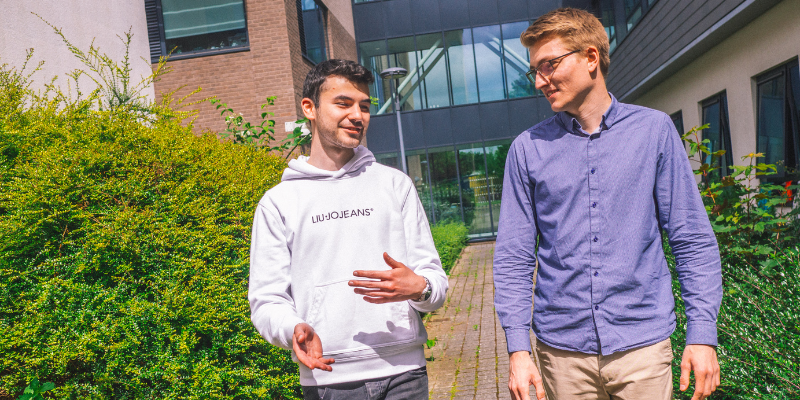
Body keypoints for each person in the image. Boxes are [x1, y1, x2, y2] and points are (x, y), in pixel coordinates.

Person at [493, 8, 722, 400]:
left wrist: (702, 336)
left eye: (549, 65)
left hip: (643, 351)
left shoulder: (653, 131)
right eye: (535, 70)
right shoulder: (526, 150)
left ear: (591, 58)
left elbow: (691, 239)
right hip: (561, 357)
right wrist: (517, 348)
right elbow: (513, 256)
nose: (539, 81)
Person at [248, 59, 447, 400]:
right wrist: (291, 328)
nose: (358, 115)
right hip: (328, 376)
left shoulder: (395, 185)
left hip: (405, 374)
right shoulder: (279, 202)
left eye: (365, 106)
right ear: (309, 108)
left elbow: (434, 282)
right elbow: (266, 300)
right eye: (343, 103)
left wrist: (420, 288)